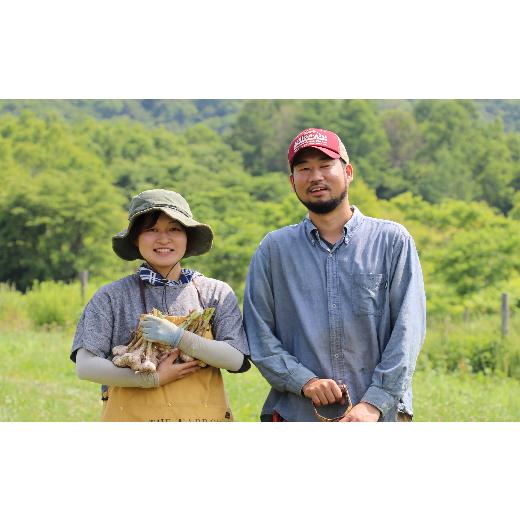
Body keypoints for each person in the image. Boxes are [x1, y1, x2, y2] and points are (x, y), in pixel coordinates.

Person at [243, 128, 426, 422]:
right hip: (296, 414)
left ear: (348, 171)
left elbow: (408, 329)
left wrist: (374, 403)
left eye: (325, 165)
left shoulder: (392, 241)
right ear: (293, 182)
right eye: (304, 169)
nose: (315, 176)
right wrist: (304, 381)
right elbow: (259, 334)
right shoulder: (273, 250)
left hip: (378, 418)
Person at [71, 188, 250, 421]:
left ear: (187, 236)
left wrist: (179, 338)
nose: (163, 238)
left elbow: (236, 360)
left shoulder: (214, 293)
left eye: (174, 229)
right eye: (151, 230)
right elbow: (85, 366)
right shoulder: (111, 297)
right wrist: (150, 378)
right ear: (136, 238)